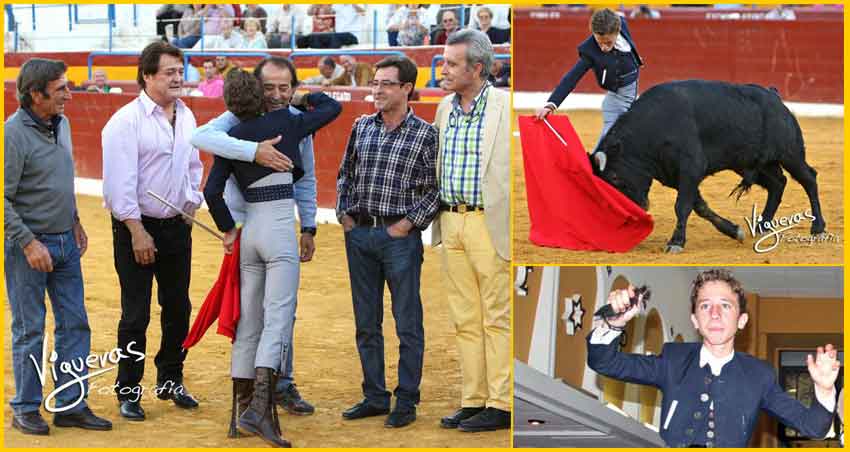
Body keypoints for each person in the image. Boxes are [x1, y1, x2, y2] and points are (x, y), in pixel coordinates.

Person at [204, 69, 341, 447]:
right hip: (278, 228)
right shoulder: (289, 122)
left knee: (249, 322)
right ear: (263, 96)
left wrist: (228, 228)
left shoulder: (229, 138)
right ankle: (260, 412)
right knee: (277, 320)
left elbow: (212, 192)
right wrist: (301, 99)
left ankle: (238, 414)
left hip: (248, 232)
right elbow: (332, 108)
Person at [589, 269, 839, 447]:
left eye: (726, 305)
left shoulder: (759, 375)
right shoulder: (673, 359)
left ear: (741, 321)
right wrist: (613, 322)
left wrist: (825, 390)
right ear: (695, 320)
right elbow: (604, 363)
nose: (715, 314)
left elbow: (813, 427)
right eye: (705, 306)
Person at [5, 58, 113, 436]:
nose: (70, 93)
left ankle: (70, 404)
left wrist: (75, 220)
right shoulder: (12, 135)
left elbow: (61, 179)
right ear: (36, 94)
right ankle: (25, 407)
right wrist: (29, 242)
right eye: (61, 88)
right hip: (28, 247)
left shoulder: (61, 123)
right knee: (30, 329)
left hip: (65, 240)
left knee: (74, 323)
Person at [101, 41, 204, 421]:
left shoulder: (188, 116)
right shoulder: (124, 122)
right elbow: (118, 183)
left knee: (178, 307)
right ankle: (128, 390)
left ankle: (170, 379)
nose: (178, 79)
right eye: (169, 73)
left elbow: (194, 165)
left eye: (181, 72)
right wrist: (136, 229)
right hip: (136, 229)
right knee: (135, 313)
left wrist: (191, 203)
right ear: (147, 76)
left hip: (177, 227)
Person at [336, 55, 439, 429]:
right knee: (367, 321)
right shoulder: (361, 126)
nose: (376, 89)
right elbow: (345, 174)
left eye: (386, 84)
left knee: (407, 322)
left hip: (399, 238)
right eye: (375, 83)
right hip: (360, 234)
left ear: (407, 88)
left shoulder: (426, 134)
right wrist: (344, 215)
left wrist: (407, 225)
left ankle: (406, 399)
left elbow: (433, 190)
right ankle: (375, 396)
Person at [433, 29, 511, 432]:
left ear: (477, 68)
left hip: (488, 222)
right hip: (452, 220)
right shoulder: (444, 108)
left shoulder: (504, 105)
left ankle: (501, 402)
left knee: (496, 315)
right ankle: (474, 398)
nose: (443, 70)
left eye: (451, 64)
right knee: (465, 317)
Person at [535, 8, 643, 169]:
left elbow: (627, 41)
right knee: (612, 131)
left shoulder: (621, 23)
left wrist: (636, 60)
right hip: (618, 96)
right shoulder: (590, 51)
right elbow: (571, 78)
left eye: (608, 43)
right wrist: (551, 103)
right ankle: (593, 166)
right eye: (600, 42)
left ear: (617, 30)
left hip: (631, 88)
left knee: (627, 133)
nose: (604, 48)